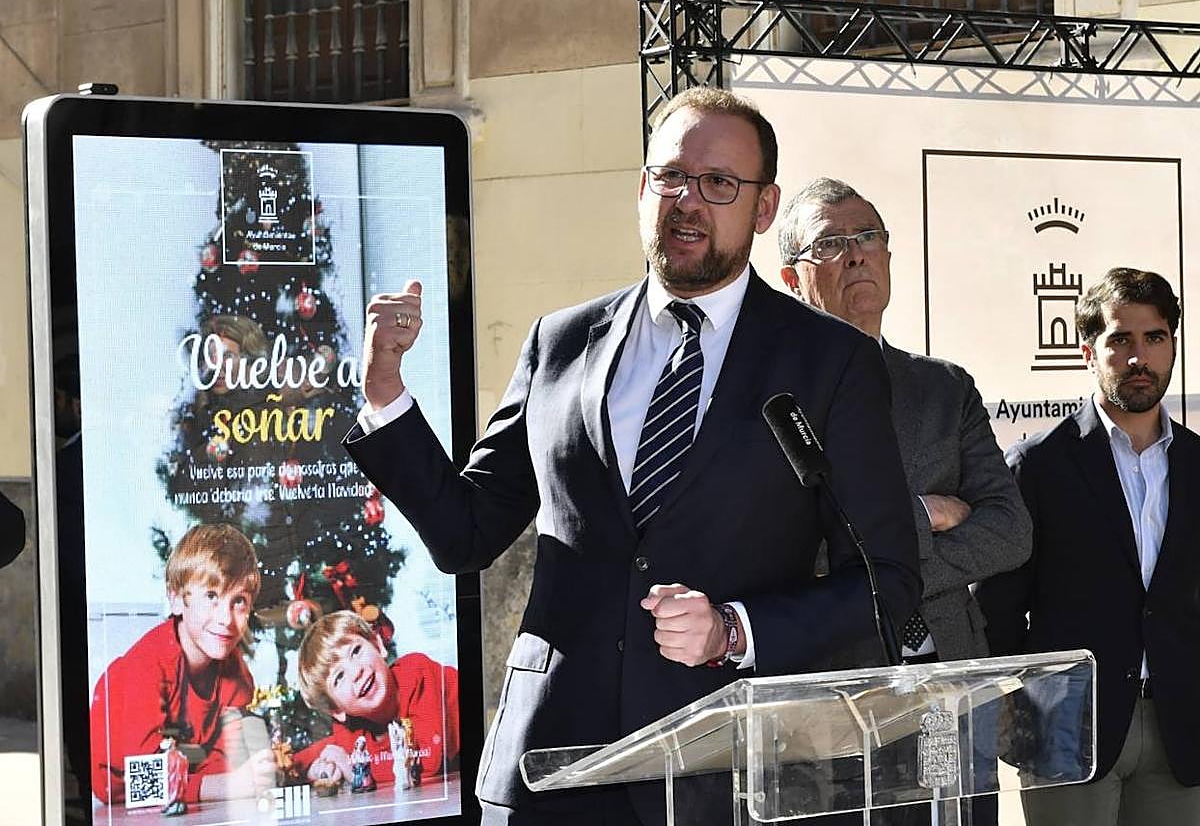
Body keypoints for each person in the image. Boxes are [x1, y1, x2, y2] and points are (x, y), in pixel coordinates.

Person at [344, 86, 921, 825]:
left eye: (719, 183)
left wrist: (733, 629)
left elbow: (886, 580)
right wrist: (386, 394)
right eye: (671, 176)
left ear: (765, 207)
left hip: (721, 773)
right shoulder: (559, 341)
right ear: (643, 188)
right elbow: (467, 533)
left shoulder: (828, 361)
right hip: (550, 767)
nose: (688, 201)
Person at [778, 177, 1031, 825]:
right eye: (830, 243)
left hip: (946, 691)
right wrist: (925, 515)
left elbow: (1008, 531)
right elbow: (788, 550)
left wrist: (877, 559)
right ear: (792, 278)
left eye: (868, 236)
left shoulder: (944, 389)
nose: (856, 254)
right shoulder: (774, 404)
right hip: (834, 706)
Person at [977, 268, 1200, 826]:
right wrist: (1021, 704)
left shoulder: (1199, 464)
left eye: (1154, 337)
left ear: (1173, 347)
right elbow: (998, 608)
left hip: (1182, 730)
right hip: (1066, 731)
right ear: (1087, 352)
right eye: (1120, 339)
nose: (1138, 357)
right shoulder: (1038, 464)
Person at [89, 523, 275, 805]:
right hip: (123, 789)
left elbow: (224, 759)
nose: (226, 618)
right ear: (176, 599)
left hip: (186, 788)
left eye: (239, 601)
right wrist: (223, 786)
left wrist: (236, 778)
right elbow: (141, 778)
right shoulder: (146, 666)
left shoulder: (235, 674)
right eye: (211, 596)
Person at [293, 610, 460, 787]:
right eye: (339, 677)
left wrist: (355, 770)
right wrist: (308, 769)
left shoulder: (418, 674)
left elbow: (426, 762)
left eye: (356, 651)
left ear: (378, 645)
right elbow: (322, 751)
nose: (356, 672)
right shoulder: (350, 730)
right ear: (336, 709)